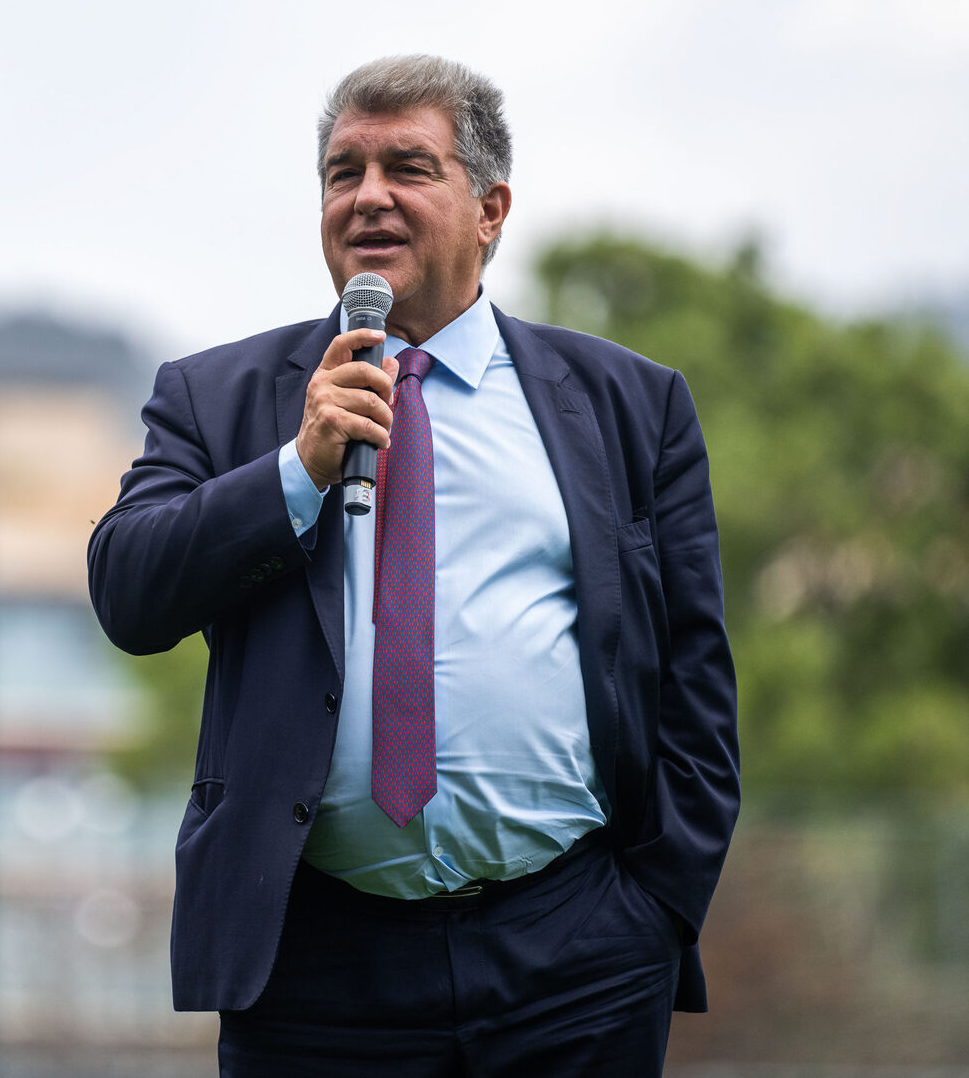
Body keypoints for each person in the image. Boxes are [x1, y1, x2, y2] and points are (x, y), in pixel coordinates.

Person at [88, 54, 738, 1076]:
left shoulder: (626, 403)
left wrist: (655, 906)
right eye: (342, 172)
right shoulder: (218, 397)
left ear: (489, 209)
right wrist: (296, 470)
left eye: (407, 167)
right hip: (315, 969)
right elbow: (128, 592)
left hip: (575, 955)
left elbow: (694, 675)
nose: (367, 196)